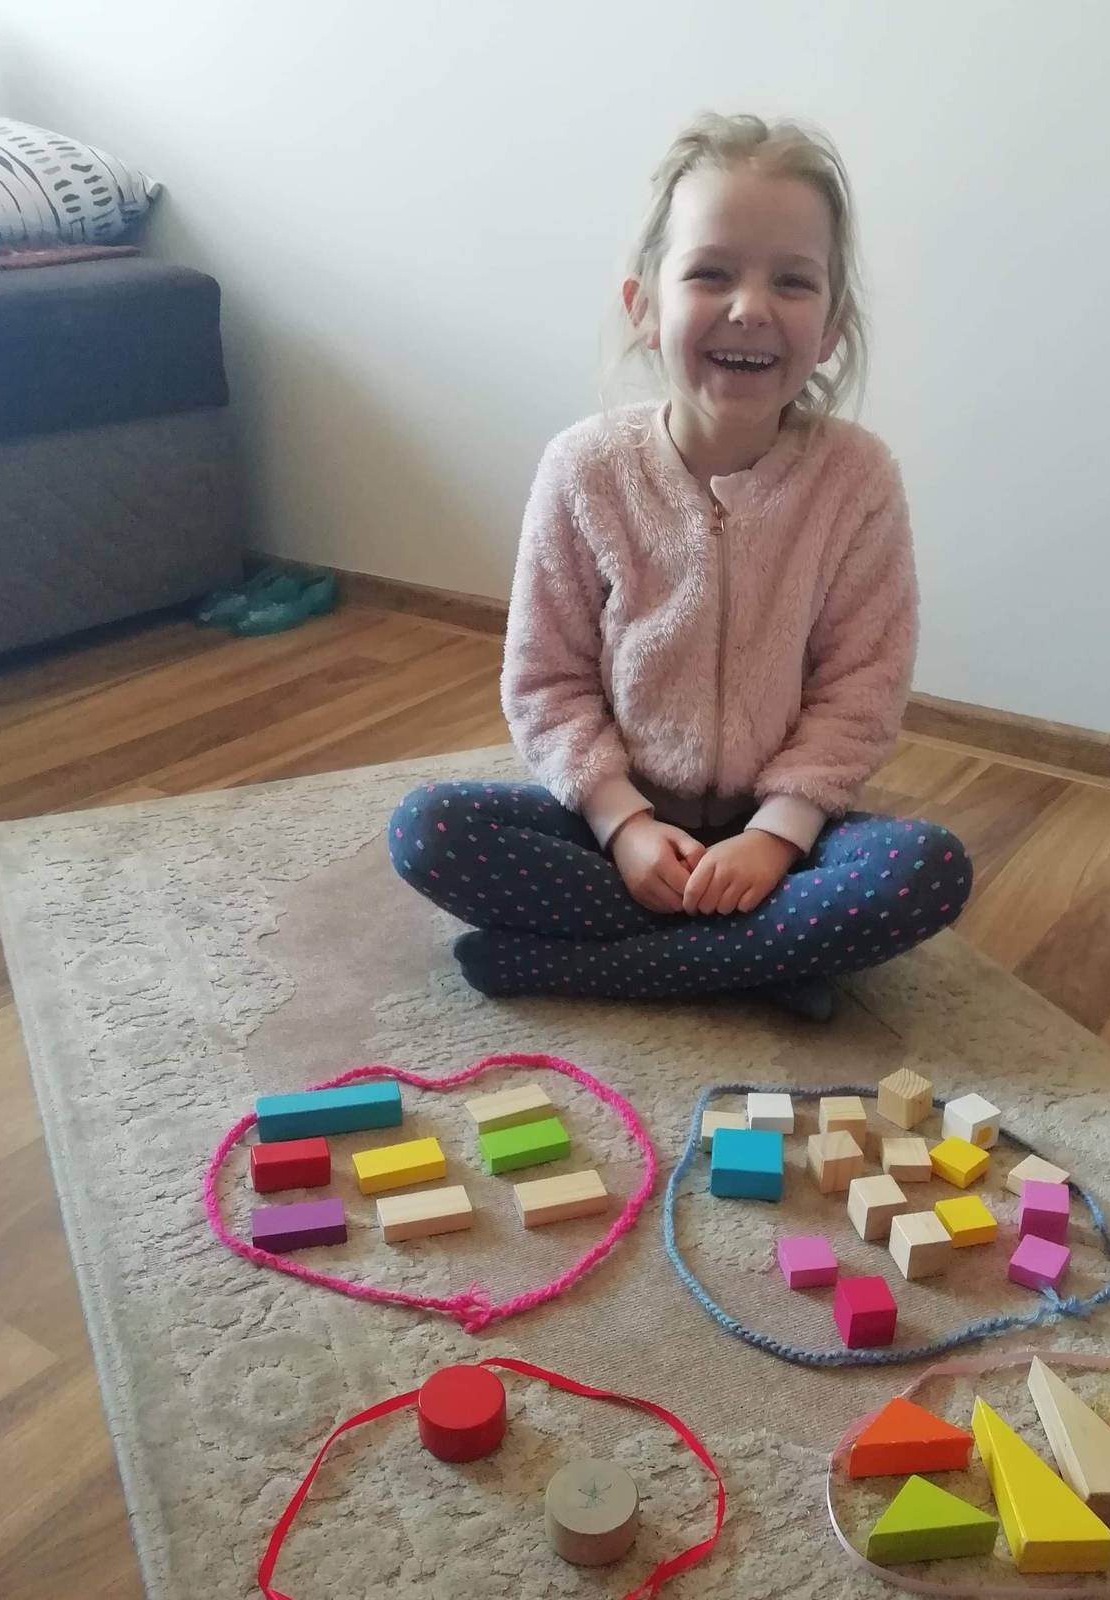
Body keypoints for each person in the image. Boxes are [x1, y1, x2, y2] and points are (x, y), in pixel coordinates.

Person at [389, 111, 971, 1020]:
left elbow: (861, 689)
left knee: (925, 870)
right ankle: (759, 963)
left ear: (831, 327)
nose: (751, 307)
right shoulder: (584, 470)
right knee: (428, 830)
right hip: (612, 826)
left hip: (784, 836)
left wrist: (775, 838)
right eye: (710, 273)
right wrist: (623, 825)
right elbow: (546, 681)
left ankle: (607, 965)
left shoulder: (857, 479)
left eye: (792, 280)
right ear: (644, 306)